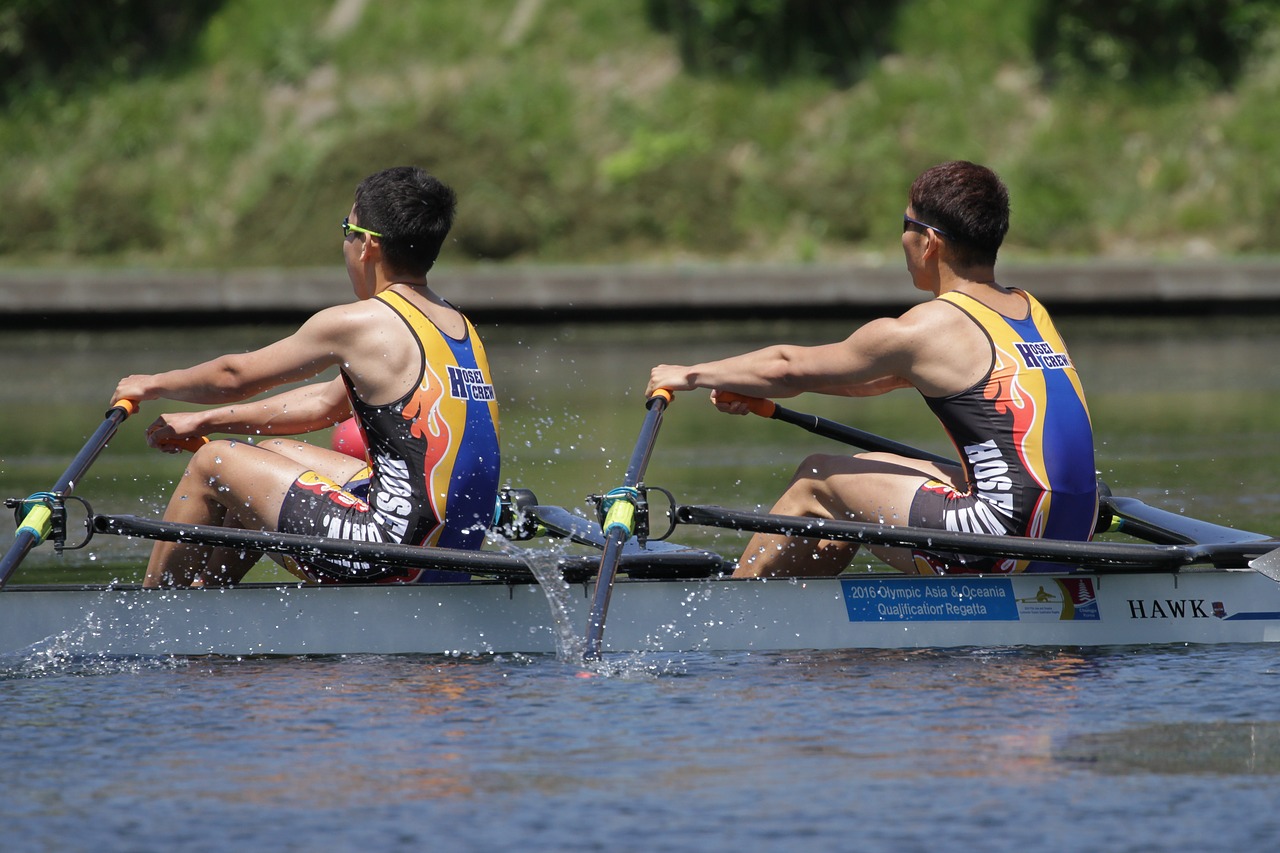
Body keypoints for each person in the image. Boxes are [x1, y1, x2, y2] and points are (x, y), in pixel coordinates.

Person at [647, 160, 1097, 577]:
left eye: (905, 225)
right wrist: (746, 385)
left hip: (1005, 539)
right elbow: (874, 378)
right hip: (1075, 525)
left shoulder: (926, 328)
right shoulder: (1028, 307)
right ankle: (804, 608)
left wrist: (690, 375)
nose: (902, 238)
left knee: (818, 477)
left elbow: (790, 367)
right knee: (863, 469)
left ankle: (737, 609)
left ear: (928, 241)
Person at [112, 166, 501, 588]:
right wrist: (203, 421)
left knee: (214, 461)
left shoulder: (361, 322)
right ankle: (208, 595)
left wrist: (151, 385)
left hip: (391, 554)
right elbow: (323, 404)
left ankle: (150, 617)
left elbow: (234, 374)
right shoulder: (456, 323)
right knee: (275, 451)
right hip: (448, 549)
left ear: (368, 245)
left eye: (346, 229)